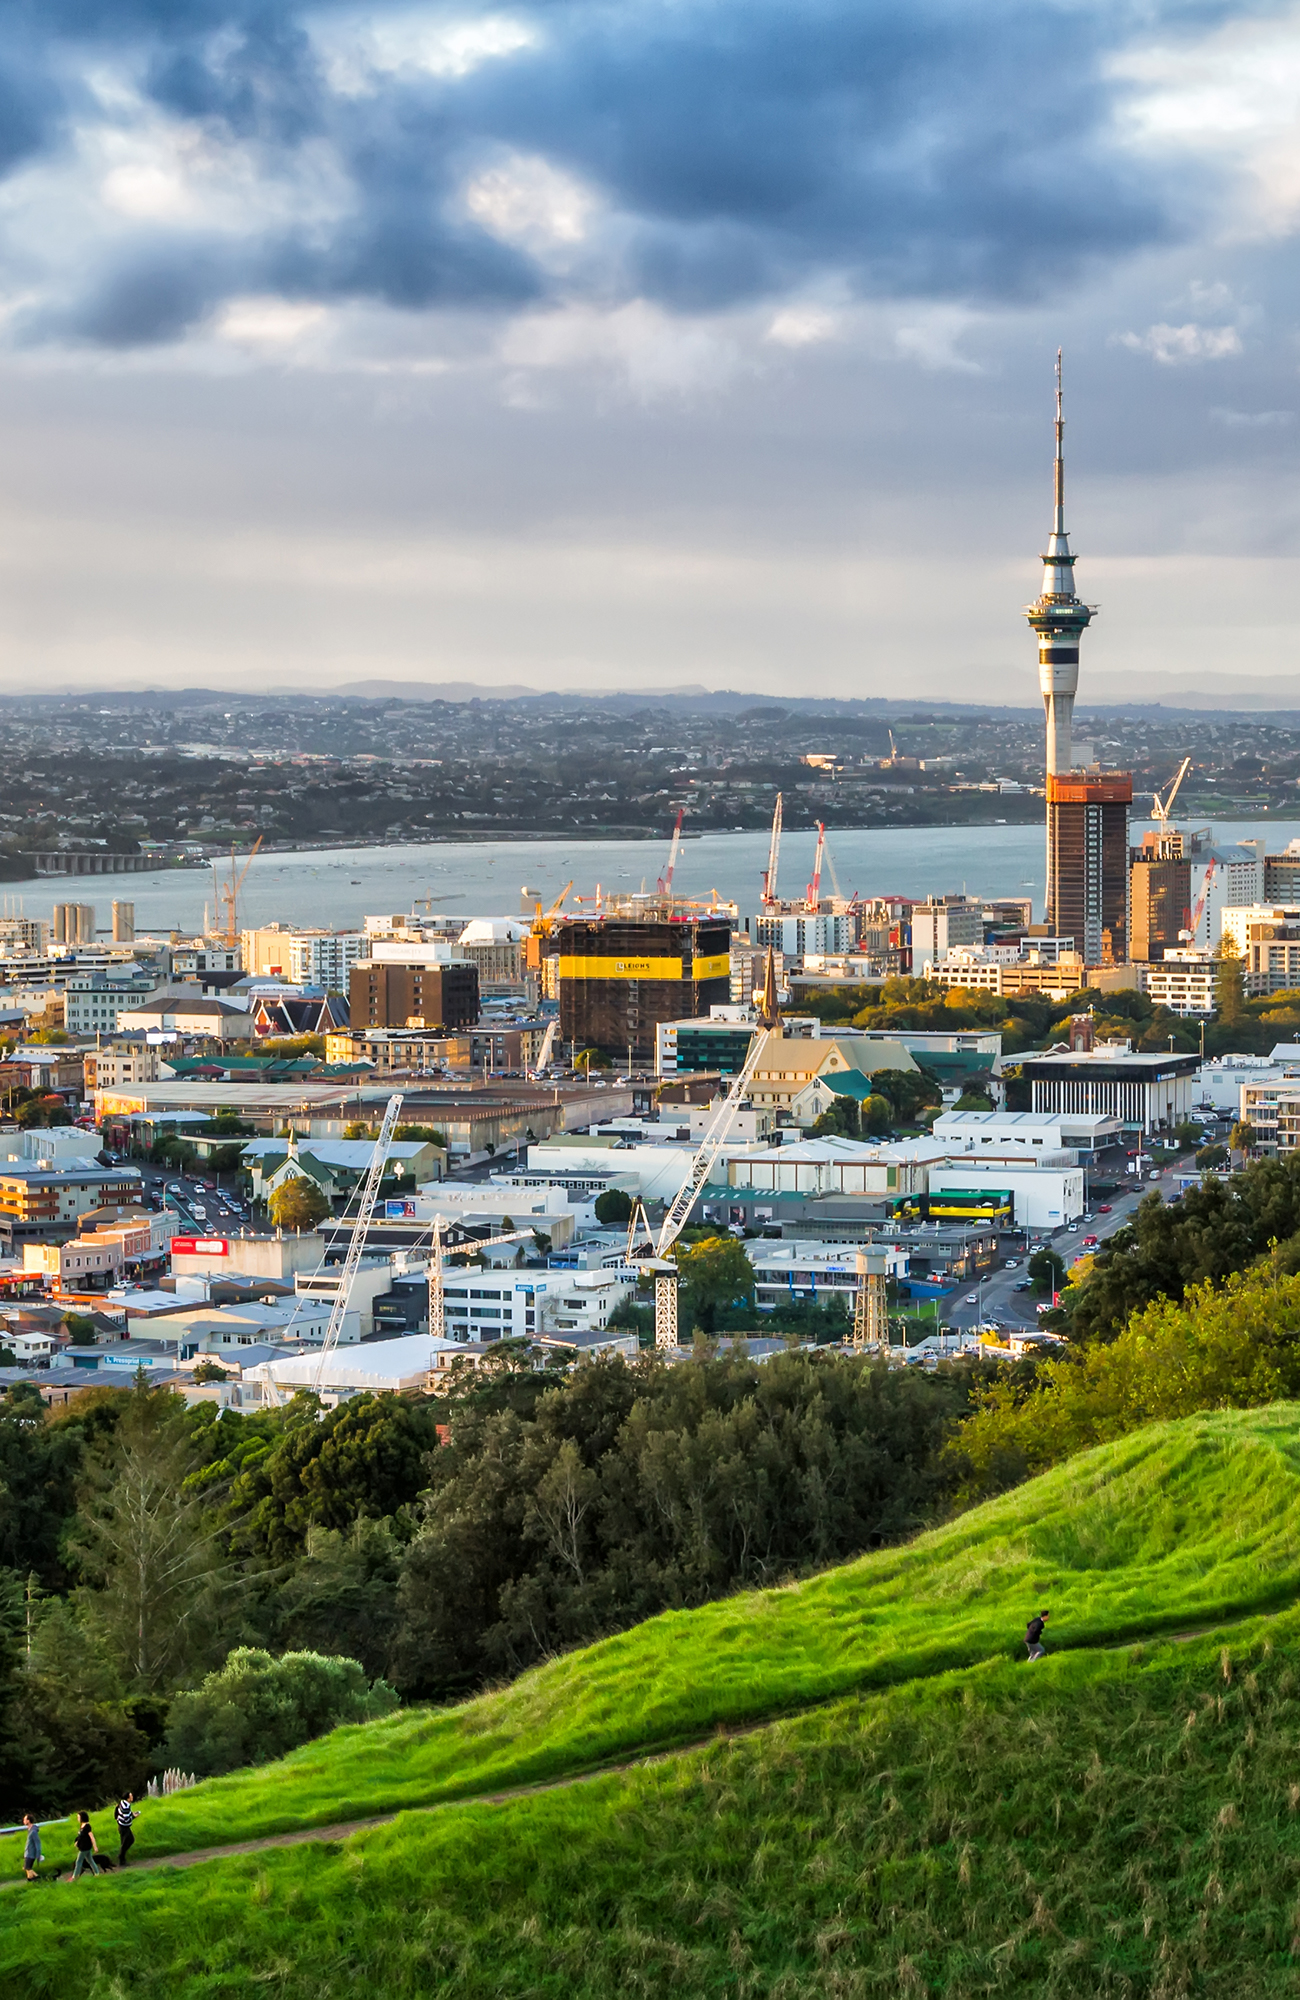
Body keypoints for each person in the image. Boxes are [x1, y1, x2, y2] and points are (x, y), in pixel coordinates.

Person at [70, 1811, 103, 1880]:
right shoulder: (82, 1825)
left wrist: (95, 1846)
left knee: (78, 1861)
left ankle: (75, 1876)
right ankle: (97, 1873)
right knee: (90, 1860)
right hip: (82, 1846)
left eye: (79, 1817)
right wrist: (77, 1841)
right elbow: (80, 1836)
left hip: (85, 1847)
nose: (78, 1819)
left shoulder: (87, 1826)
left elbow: (92, 1837)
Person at [115, 1792, 141, 1866]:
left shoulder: (123, 1803)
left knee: (125, 1842)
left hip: (122, 1826)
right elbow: (126, 1818)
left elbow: (125, 1814)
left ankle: (122, 1858)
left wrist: (131, 1814)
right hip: (124, 1827)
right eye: (131, 1796)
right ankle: (121, 1857)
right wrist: (134, 1816)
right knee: (129, 1841)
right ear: (128, 1798)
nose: (132, 1797)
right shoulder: (126, 1806)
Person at [21, 1814, 42, 1882]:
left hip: (31, 1854)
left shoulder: (33, 1832)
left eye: (25, 1819)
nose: (23, 1821)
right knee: (27, 1869)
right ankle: (35, 1880)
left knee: (28, 1868)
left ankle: (37, 1879)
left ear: (28, 1821)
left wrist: (38, 1854)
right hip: (28, 1853)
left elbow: (37, 1843)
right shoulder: (30, 1830)